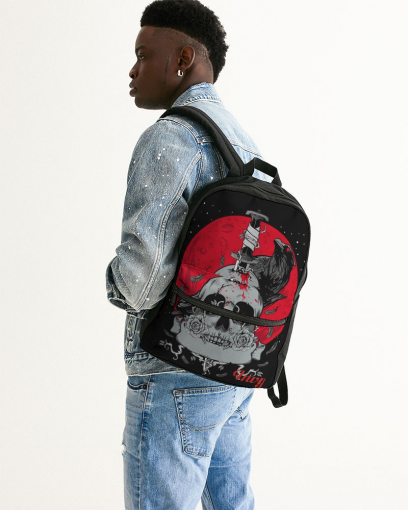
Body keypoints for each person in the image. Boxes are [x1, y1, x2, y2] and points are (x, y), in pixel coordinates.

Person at [105, 1, 272, 508]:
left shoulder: (170, 137)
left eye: (143, 55)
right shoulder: (242, 140)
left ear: (182, 59)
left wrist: (113, 282)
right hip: (236, 371)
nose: (132, 70)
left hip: (172, 373)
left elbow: (140, 283)